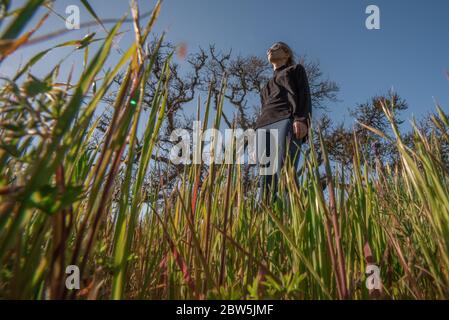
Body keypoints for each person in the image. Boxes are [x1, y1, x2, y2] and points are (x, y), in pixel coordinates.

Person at [255, 41, 312, 204]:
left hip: (285, 121)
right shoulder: (265, 86)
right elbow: (263, 109)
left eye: (275, 47)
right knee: (265, 177)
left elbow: (304, 95)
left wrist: (301, 119)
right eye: (268, 49)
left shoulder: (295, 70)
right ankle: (265, 219)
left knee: (285, 170)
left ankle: (296, 216)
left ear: (286, 54)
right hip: (263, 126)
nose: (269, 50)